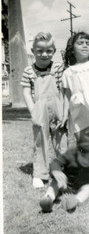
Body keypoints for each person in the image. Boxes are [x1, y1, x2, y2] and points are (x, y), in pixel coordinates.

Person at [21, 32, 67, 188]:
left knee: (61, 141)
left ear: (53, 51)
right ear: (33, 51)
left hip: (58, 107)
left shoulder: (58, 67)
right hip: (39, 110)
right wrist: (33, 111)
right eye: (39, 50)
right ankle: (40, 174)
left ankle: (63, 169)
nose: (44, 54)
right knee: (40, 141)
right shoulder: (28, 71)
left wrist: (63, 111)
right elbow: (26, 92)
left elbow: (63, 90)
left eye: (48, 51)